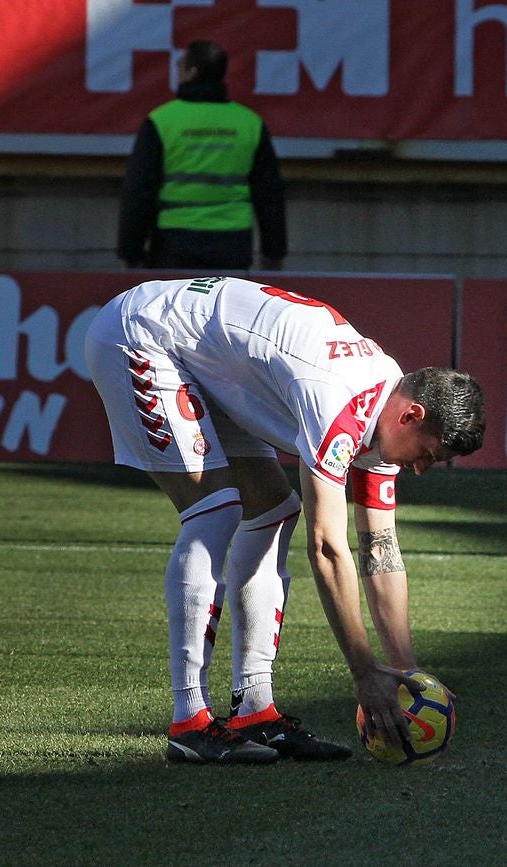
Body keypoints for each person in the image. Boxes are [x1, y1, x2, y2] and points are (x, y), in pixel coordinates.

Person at [84, 275, 486, 764]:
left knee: (273, 510)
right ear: (412, 415)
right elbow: (328, 548)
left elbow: (381, 548)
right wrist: (363, 672)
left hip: (207, 359)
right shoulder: (341, 400)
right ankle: (189, 720)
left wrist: (405, 673)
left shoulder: (385, 404)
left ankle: (255, 711)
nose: (420, 468)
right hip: (142, 334)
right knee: (215, 508)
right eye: (429, 453)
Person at [117, 40, 287, 272]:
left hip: (174, 241)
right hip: (232, 242)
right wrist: (273, 252)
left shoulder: (162, 120)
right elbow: (269, 194)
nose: (177, 71)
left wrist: (131, 250)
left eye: (180, 65)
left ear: (192, 72)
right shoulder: (249, 123)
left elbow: (139, 191)